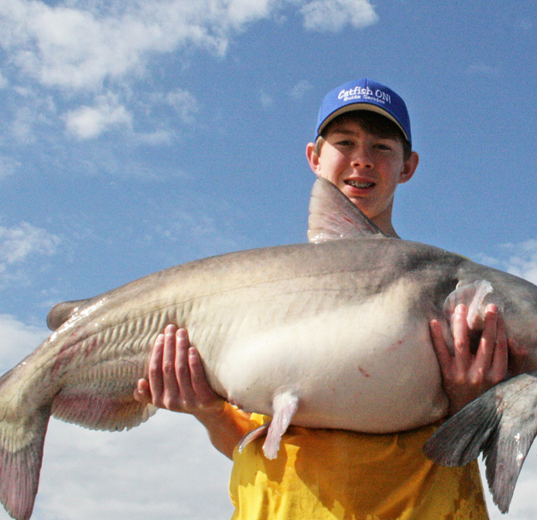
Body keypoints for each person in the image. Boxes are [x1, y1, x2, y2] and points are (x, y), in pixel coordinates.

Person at [133, 78, 508, 519]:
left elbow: (493, 444)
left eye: (382, 147)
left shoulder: (461, 300)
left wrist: (471, 404)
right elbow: (243, 442)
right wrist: (207, 411)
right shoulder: (253, 298)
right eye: (344, 142)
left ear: (408, 166)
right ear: (314, 157)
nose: (362, 160)